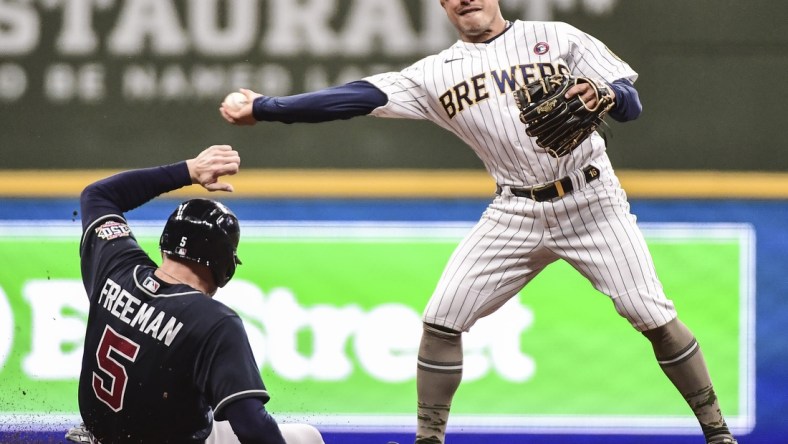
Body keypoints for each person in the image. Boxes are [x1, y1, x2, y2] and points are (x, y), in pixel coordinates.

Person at [218, 1, 738, 443]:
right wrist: (266, 107)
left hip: (591, 200)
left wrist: (604, 95)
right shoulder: (433, 74)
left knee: (650, 314)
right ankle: (429, 439)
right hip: (513, 209)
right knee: (441, 320)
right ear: (442, 5)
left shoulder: (555, 37)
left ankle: (717, 433)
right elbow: (354, 98)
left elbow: (631, 103)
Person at [68, 145, 324, 444]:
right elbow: (253, 428)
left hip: (102, 435)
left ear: (166, 244)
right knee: (304, 437)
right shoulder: (213, 322)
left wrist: (188, 170)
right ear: (224, 266)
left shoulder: (117, 266)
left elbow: (98, 194)